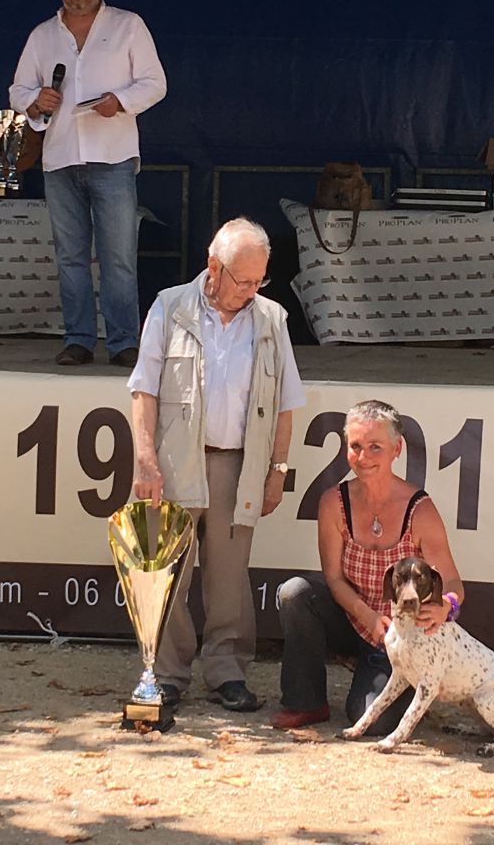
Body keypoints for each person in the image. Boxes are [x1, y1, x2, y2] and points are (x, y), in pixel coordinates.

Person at [128, 217, 306, 712]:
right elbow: (142, 389)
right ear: (214, 266)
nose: (251, 291)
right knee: (167, 574)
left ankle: (227, 672)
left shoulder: (272, 319)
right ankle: (166, 675)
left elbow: (287, 402)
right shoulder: (169, 307)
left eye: (259, 281)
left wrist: (279, 469)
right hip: (174, 463)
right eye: (244, 280)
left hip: (238, 466)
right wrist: (145, 459)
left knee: (229, 580)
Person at [9, 0, 166, 367]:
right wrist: (36, 101)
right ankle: (79, 338)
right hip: (60, 157)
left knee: (117, 255)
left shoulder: (127, 25)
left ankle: (123, 342)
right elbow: (18, 91)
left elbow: (155, 83)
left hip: (111, 155)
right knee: (71, 256)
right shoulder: (43, 35)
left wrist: (121, 101)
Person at [271, 399, 464, 732]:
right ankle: (306, 702)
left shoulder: (420, 509)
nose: (363, 458)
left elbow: (452, 582)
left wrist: (448, 606)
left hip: (402, 637)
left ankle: (404, 685)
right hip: (355, 621)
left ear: (396, 449)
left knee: (372, 723)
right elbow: (333, 578)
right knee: (295, 594)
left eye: (376, 447)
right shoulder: (334, 501)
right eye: (356, 447)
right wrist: (369, 617)